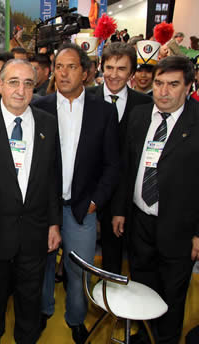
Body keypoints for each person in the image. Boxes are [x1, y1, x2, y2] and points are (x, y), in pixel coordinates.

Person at [0, 59, 62, 344]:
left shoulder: (47, 124)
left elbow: (52, 177)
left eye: (28, 83)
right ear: (0, 85)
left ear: (36, 86)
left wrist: (54, 223)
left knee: (29, 305)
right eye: (14, 82)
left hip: (34, 232)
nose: (21, 90)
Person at [33, 43, 120, 344]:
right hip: (44, 207)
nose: (64, 72)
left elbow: (112, 164)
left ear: (85, 72)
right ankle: (43, 310)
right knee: (43, 264)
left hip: (82, 208)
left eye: (71, 66)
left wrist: (96, 201)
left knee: (80, 269)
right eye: (59, 66)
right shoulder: (40, 107)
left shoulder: (103, 111)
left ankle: (76, 318)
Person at [112, 56, 199, 344]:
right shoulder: (139, 115)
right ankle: (144, 335)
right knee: (142, 287)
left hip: (179, 230)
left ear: (188, 86)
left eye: (173, 85)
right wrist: (120, 211)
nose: (162, 91)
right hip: (139, 223)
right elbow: (126, 167)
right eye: (159, 83)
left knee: (172, 297)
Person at [87, 42, 152, 275]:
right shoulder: (86, 98)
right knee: (94, 260)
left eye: (121, 69)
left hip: (129, 197)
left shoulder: (145, 105)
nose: (114, 75)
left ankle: (127, 307)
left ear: (131, 73)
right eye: (109, 67)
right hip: (92, 195)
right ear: (101, 67)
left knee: (131, 260)